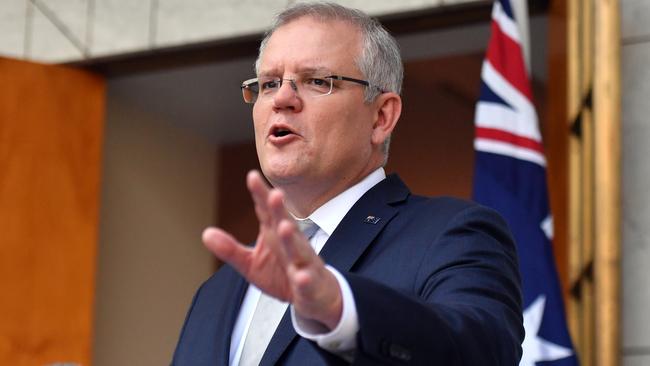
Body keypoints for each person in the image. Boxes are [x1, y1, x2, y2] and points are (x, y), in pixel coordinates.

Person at [172, 2, 523, 365]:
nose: (281, 99)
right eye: (269, 83)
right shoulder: (215, 292)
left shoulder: (450, 234)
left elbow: (483, 352)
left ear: (381, 117)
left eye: (317, 81)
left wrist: (342, 309)